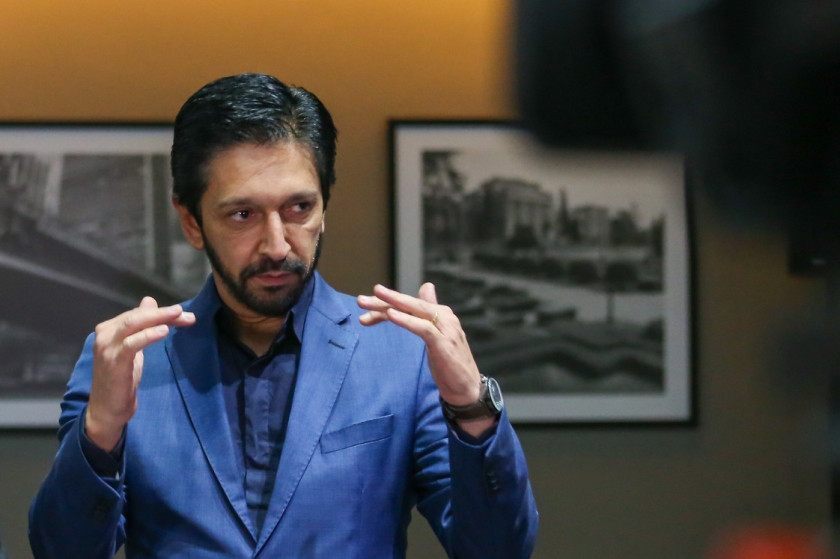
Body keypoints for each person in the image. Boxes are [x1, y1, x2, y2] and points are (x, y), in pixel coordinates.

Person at [28, 73, 538, 558]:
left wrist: (472, 406)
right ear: (192, 222)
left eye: (298, 208)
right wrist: (101, 432)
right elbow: (63, 551)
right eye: (243, 214)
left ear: (324, 208)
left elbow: (499, 550)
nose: (276, 245)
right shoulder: (127, 360)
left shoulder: (402, 354)